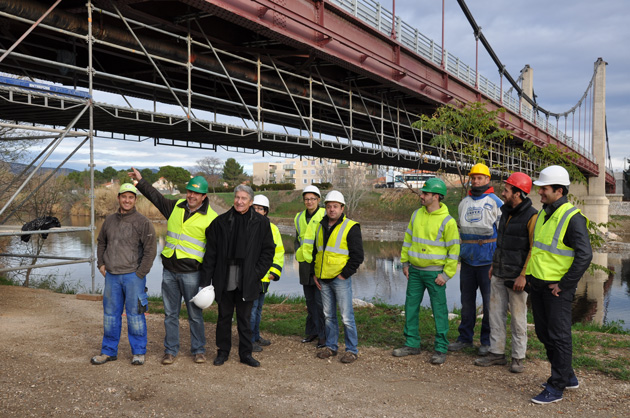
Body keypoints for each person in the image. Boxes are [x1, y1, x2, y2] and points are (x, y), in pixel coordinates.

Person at [129, 168, 217, 365]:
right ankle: (170, 350)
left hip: (192, 274)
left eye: (196, 193)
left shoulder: (212, 218)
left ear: (204, 196)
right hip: (169, 271)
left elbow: (213, 253)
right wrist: (141, 181)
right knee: (170, 314)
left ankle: (199, 350)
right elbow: (156, 198)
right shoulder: (176, 206)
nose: (191, 196)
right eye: (189, 191)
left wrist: (208, 281)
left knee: (195, 315)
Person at [526, 166, 592, 404]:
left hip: (557, 289)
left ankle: (556, 387)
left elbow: (585, 255)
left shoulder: (571, 217)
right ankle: (568, 376)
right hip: (539, 284)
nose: (540, 192)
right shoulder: (545, 212)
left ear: (559, 190)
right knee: (544, 333)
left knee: (559, 336)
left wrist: (563, 284)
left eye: (544, 188)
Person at [200, 185, 275, 367]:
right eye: (237, 197)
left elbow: (268, 251)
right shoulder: (220, 222)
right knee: (224, 317)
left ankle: (245, 354)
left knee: (244, 318)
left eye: (244, 198)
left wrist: (256, 274)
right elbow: (211, 253)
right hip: (225, 276)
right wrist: (205, 281)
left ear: (250, 202)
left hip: (248, 277)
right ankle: (222, 352)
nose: (239, 201)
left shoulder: (262, 223)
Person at [474, 172, 537, 373]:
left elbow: (533, 248)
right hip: (499, 271)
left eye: (507, 189)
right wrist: (494, 264)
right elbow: (500, 243)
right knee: (495, 314)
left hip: (517, 276)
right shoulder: (505, 211)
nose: (503, 192)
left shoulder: (532, 216)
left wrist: (524, 275)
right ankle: (497, 353)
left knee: (518, 318)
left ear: (518, 193)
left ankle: (518, 357)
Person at [392, 178, 460, 365]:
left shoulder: (448, 221)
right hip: (414, 271)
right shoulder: (416, 215)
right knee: (410, 308)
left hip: (435, 274)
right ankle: (412, 343)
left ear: (437, 197)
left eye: (426, 193)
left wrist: (446, 275)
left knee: (439, 311)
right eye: (423, 193)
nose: (421, 196)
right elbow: (408, 239)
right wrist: (404, 263)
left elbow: (454, 251)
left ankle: (440, 348)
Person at [91, 183, 157, 366]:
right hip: (112, 276)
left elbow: (151, 250)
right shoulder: (109, 220)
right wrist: (101, 263)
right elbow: (101, 242)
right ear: (119, 198)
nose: (127, 200)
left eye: (131, 197)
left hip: (133, 276)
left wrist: (140, 273)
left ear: (135, 200)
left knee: (135, 316)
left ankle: (138, 352)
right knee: (110, 316)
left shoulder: (143, 222)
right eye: (124, 197)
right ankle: (108, 351)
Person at [449, 163, 502, 356]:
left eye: (480, 178)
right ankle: (465, 338)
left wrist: (497, 260)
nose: (476, 181)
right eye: (473, 178)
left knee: (490, 305)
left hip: (488, 262)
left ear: (488, 180)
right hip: (468, 261)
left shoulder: (496, 202)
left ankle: (487, 341)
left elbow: (503, 233)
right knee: (467, 303)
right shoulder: (464, 203)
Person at [312, 191, 364, 364]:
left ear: (342, 208)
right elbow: (317, 252)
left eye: (335, 206)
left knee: (346, 316)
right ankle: (331, 346)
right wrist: (315, 273)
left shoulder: (351, 227)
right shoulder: (321, 226)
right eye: (328, 206)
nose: (331, 209)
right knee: (328, 315)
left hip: (339, 278)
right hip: (323, 278)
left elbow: (358, 256)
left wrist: (344, 274)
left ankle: (351, 350)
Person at [250, 194, 285, 352]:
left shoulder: (273, 229)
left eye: (260, 208)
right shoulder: (245, 226)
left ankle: (256, 336)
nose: (257, 211)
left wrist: (274, 272)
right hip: (251, 277)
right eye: (255, 208)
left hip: (265, 276)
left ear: (266, 211)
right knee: (251, 308)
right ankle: (249, 340)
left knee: (258, 308)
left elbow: (278, 252)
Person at [294, 185, 327, 347]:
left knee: (321, 303)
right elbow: (297, 240)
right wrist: (298, 254)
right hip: (305, 267)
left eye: (312, 199)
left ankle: (323, 335)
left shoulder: (325, 214)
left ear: (318, 200)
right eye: (306, 199)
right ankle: (312, 332)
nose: (309, 201)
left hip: (319, 266)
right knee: (310, 303)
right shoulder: (299, 217)